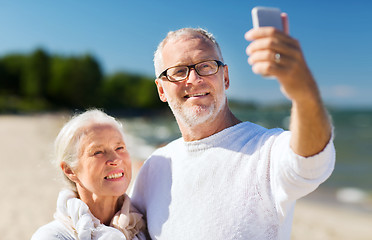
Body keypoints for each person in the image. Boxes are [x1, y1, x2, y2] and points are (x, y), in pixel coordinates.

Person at [130, 12, 335, 240]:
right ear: (161, 90)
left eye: (206, 66)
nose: (194, 79)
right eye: (179, 71)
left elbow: (312, 162)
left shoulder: (266, 151)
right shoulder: (154, 167)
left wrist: (303, 92)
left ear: (225, 77)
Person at [32, 109, 147, 240]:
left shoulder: (147, 226)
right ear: (70, 170)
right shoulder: (51, 236)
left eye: (119, 148)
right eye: (98, 152)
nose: (116, 159)